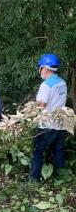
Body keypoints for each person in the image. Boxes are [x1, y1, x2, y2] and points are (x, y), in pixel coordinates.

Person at [29, 53, 67, 182]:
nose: (39, 71)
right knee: (58, 152)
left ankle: (33, 179)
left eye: (40, 67)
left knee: (37, 152)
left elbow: (41, 105)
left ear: (44, 68)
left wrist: (28, 111)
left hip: (46, 126)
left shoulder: (45, 85)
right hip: (60, 125)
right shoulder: (62, 83)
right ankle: (61, 179)